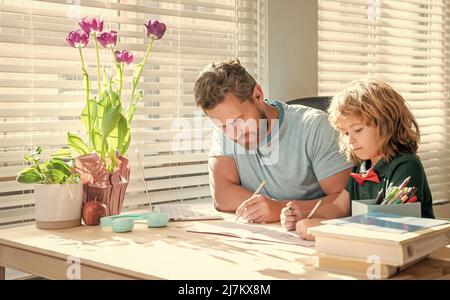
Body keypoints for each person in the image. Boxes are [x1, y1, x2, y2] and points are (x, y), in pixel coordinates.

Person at [194, 58, 352, 223]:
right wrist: (266, 208)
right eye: (223, 127)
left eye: (239, 121)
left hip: (310, 234)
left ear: (258, 95)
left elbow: (346, 200)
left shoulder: (314, 126)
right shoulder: (226, 128)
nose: (233, 135)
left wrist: (280, 209)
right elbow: (222, 195)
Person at [281, 79, 435, 240]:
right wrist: (305, 216)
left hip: (417, 253)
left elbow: (389, 225)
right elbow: (339, 207)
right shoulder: (361, 167)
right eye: (346, 133)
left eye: (358, 130)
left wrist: (326, 230)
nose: (350, 140)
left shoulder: (406, 166)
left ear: (385, 125)